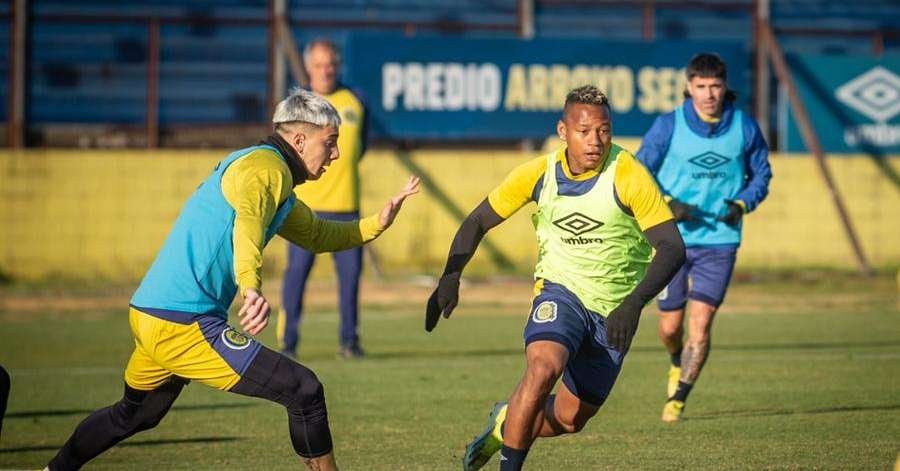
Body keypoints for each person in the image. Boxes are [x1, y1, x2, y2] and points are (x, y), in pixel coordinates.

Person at [45, 88, 419, 471]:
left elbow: (318, 235)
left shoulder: (270, 174)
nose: (337, 154)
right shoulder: (266, 170)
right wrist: (250, 287)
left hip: (153, 312)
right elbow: (247, 228)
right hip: (182, 322)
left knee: (134, 414)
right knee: (303, 390)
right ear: (299, 140)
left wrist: (377, 223)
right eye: (331, 142)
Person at [426, 85, 685, 471]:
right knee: (543, 368)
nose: (595, 141)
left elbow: (672, 247)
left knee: (569, 418)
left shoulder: (628, 173)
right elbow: (478, 219)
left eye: (604, 130)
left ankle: (505, 423)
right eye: (584, 131)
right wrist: (450, 277)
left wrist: (633, 304)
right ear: (563, 131)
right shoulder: (538, 174)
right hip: (560, 292)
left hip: (614, 310)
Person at [636, 52, 772, 422]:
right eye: (701, 86)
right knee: (669, 328)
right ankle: (674, 359)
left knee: (701, 325)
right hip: (671, 240)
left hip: (720, 241)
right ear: (689, 87)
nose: (709, 94)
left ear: (725, 86)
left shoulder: (744, 127)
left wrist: (742, 203)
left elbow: (762, 174)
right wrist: (667, 203)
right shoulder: (668, 125)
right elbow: (639, 170)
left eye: (715, 86)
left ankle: (678, 398)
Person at [280, 39, 370, 359]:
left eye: (330, 64)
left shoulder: (356, 100)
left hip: (346, 208)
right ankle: (288, 342)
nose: (326, 70)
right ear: (308, 68)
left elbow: (360, 147)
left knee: (350, 280)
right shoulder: (296, 105)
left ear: (338, 65)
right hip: (304, 209)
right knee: (296, 277)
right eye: (319, 65)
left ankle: (349, 341)